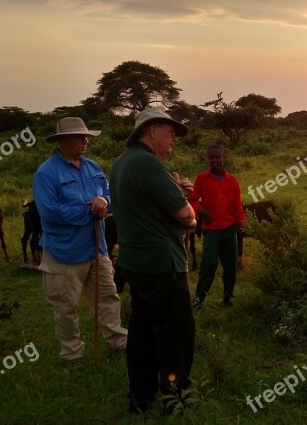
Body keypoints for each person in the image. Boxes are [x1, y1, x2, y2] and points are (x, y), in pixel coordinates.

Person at [109, 107, 196, 414]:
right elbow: (186, 216)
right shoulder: (149, 163)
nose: (174, 137)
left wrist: (173, 189)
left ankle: (140, 397)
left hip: (134, 262)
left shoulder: (121, 163)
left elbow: (145, 207)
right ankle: (175, 397)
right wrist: (184, 199)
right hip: (163, 264)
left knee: (142, 331)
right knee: (174, 334)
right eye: (169, 130)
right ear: (151, 130)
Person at [33, 117, 128, 373]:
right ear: (63, 141)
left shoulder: (93, 167)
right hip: (64, 254)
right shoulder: (47, 173)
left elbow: (108, 195)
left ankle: (118, 344)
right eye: (79, 137)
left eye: (86, 136)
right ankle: (72, 358)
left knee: (108, 298)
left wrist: (103, 201)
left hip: (97, 250)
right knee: (66, 309)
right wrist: (89, 212)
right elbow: (50, 212)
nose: (85, 141)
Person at [189, 145, 246, 310]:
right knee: (208, 263)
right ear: (208, 159)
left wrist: (244, 225)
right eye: (211, 158)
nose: (214, 161)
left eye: (217, 157)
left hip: (229, 229)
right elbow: (192, 199)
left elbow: (237, 206)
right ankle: (199, 299)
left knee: (230, 265)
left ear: (223, 157)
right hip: (211, 229)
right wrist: (199, 210)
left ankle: (228, 298)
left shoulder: (232, 180)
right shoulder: (202, 178)